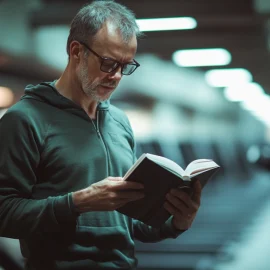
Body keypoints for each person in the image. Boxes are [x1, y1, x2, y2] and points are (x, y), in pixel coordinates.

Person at [0, 1, 202, 269]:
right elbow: (4, 212)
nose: (117, 76)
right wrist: (78, 203)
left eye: (125, 66)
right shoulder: (24, 119)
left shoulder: (119, 122)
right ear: (76, 51)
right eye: (108, 63)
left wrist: (175, 223)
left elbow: (130, 226)